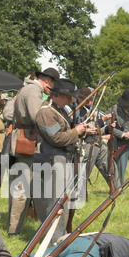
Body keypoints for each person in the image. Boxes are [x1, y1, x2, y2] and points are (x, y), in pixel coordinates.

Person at [34, 78, 87, 245]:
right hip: (53, 161)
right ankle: (54, 241)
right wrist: (76, 132)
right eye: (67, 97)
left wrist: (80, 132)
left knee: (63, 202)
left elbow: (66, 133)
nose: (70, 100)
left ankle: (60, 236)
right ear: (59, 95)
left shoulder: (59, 110)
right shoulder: (46, 112)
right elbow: (56, 138)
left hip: (63, 159)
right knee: (55, 204)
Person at [8, 67, 60, 237]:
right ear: (48, 81)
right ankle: (14, 230)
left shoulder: (30, 89)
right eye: (52, 84)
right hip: (28, 143)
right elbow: (38, 116)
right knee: (22, 190)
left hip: (28, 141)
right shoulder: (33, 90)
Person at [75, 87, 121, 192]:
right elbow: (76, 128)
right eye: (88, 99)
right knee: (83, 173)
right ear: (80, 98)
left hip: (98, 143)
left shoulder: (92, 110)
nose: (91, 102)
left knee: (111, 169)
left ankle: (117, 192)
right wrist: (100, 121)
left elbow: (98, 130)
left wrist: (108, 128)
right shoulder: (78, 111)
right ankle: (77, 195)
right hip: (86, 145)